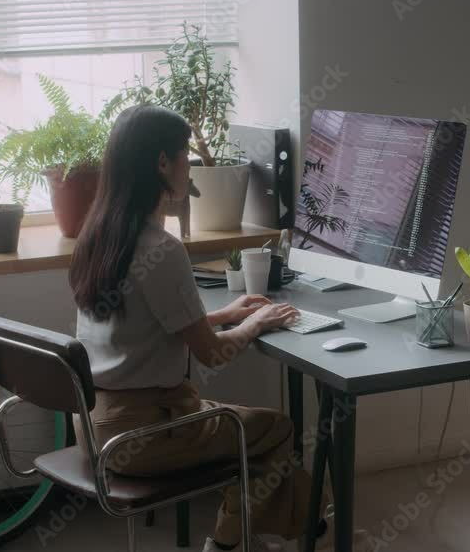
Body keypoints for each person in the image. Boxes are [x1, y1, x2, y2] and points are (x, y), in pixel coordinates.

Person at [68, 105, 339, 552]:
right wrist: (254, 324)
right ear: (162, 164)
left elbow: (138, 328)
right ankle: (236, 542)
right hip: (145, 434)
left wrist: (222, 314)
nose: (189, 169)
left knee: (253, 434)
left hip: (94, 424)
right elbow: (212, 354)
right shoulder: (161, 249)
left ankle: (311, 531)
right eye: (185, 159)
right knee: (277, 431)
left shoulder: (98, 236)